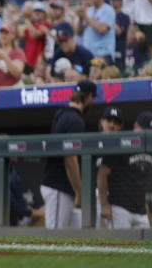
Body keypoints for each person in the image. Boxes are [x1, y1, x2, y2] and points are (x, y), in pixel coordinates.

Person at [40, 79, 96, 229]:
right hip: (59, 187)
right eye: (93, 98)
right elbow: (70, 159)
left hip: (59, 187)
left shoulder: (62, 113)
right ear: (89, 96)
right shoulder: (75, 120)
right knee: (55, 239)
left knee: (77, 237)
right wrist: (79, 190)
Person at [97, 110, 152, 229]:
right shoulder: (122, 144)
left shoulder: (150, 149)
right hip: (119, 208)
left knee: (145, 245)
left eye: (150, 132)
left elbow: (139, 178)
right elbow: (102, 173)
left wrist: (144, 202)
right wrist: (104, 205)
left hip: (140, 210)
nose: (146, 134)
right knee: (121, 245)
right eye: (144, 130)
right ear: (135, 126)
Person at [78, 0, 116, 64]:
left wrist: (85, 17)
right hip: (88, 54)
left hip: (103, 54)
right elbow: (78, 32)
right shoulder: (88, 11)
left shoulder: (108, 10)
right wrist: (80, 18)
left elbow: (102, 30)